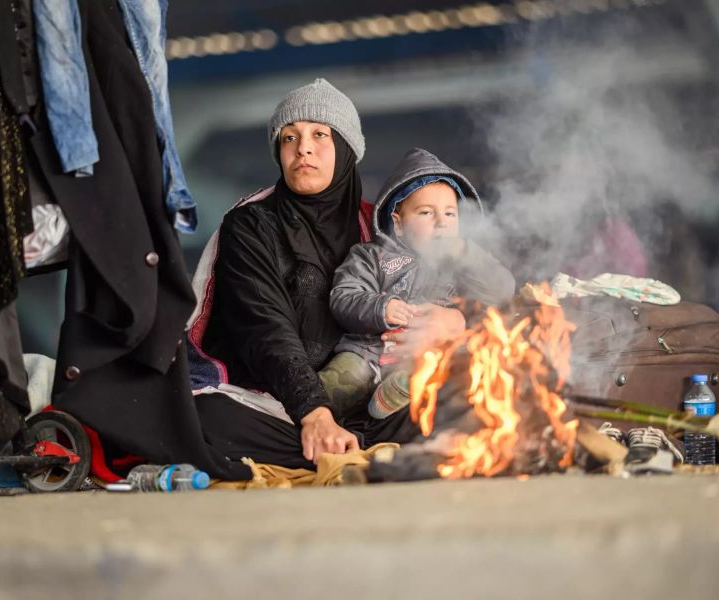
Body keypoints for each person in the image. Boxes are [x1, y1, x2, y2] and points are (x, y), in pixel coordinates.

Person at [190, 80, 497, 468]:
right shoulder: (252, 225)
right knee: (205, 419)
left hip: (376, 396)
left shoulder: (382, 225)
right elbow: (266, 329)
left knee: (476, 394)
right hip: (277, 404)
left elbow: (492, 293)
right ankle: (357, 449)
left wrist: (456, 319)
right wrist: (313, 412)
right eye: (289, 138)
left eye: (320, 134)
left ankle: (349, 444)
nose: (303, 147)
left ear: (347, 148)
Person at [325, 148, 516, 420]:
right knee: (340, 381)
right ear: (398, 223)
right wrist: (380, 307)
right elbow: (343, 296)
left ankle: (396, 393)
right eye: (427, 213)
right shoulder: (371, 255)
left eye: (450, 214)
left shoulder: (464, 262)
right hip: (368, 352)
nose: (441, 223)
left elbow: (502, 291)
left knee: (451, 371)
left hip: (429, 354)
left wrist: (467, 253)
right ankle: (303, 416)